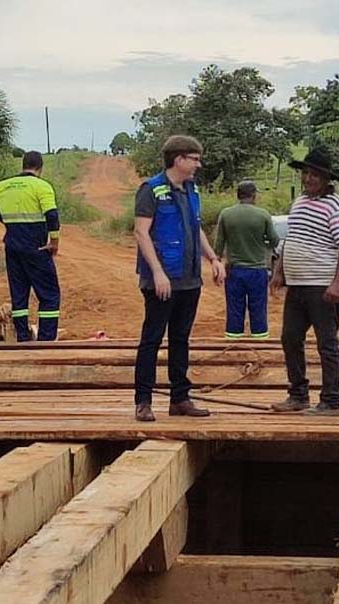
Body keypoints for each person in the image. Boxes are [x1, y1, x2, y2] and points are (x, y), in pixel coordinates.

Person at [133, 135, 226, 422]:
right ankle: (143, 401)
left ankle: (180, 398)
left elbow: (195, 229)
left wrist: (213, 258)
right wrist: (158, 272)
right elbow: (141, 233)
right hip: (161, 280)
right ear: (179, 159)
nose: (199, 164)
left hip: (188, 279)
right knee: (152, 339)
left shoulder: (190, 190)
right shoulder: (152, 190)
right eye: (194, 159)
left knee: (181, 339)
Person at [270, 148, 339, 417]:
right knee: (290, 338)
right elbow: (289, 240)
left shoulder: (336, 206)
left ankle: (331, 400)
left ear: (326, 179)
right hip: (297, 285)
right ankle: (298, 394)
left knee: (326, 344)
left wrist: (337, 283)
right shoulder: (299, 203)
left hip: (322, 286)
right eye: (305, 173)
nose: (308, 178)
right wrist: (278, 271)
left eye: (314, 174)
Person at [0, 151, 60, 341]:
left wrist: (8, 221)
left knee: (19, 294)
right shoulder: (42, 186)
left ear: (23, 165)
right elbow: (52, 215)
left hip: (13, 246)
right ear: (40, 168)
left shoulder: (3, 185)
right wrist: (54, 242)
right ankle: (46, 340)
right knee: (49, 295)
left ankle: (23, 338)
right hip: (37, 247)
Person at [214, 180, 280, 340]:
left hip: (234, 270)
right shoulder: (263, 214)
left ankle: (233, 341)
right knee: (258, 307)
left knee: (235, 308)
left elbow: (219, 244)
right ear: (253, 195)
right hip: (257, 270)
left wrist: (216, 265)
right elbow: (274, 240)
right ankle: (260, 340)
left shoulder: (226, 214)